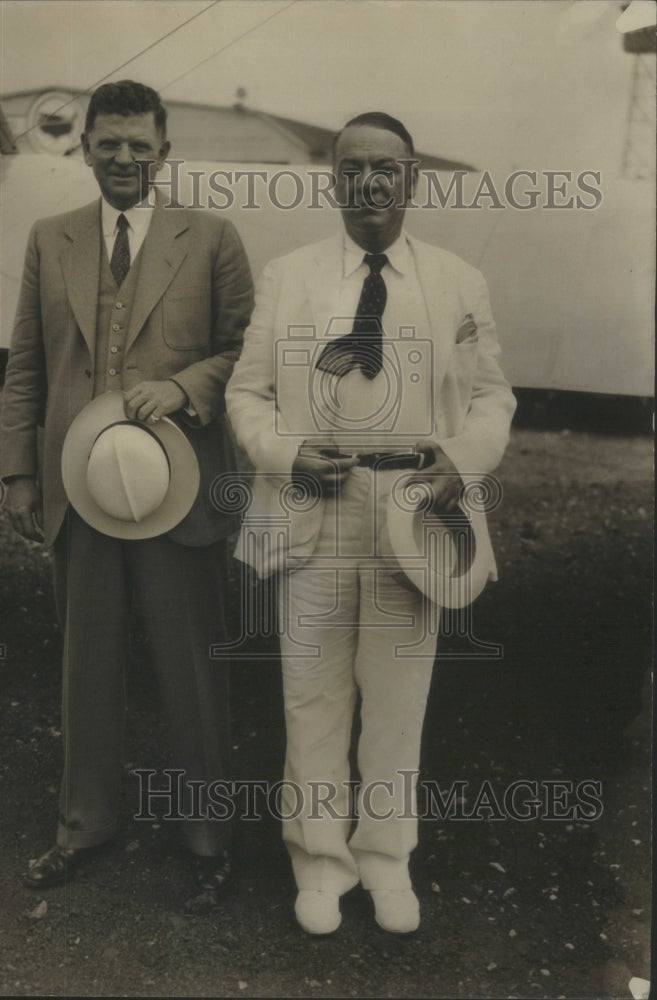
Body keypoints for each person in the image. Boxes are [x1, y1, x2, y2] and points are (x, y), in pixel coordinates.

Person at [225, 112, 516, 934]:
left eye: (384, 168)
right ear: (332, 179)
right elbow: (245, 393)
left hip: (415, 513)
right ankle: (319, 866)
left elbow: (493, 396)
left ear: (412, 178)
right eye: (351, 168)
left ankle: (387, 862)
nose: (368, 183)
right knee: (311, 697)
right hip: (314, 506)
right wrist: (284, 453)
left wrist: (461, 461)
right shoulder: (290, 276)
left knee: (396, 701)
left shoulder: (458, 280)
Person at [0, 80, 253, 912]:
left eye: (140, 146)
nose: (123, 159)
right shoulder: (50, 238)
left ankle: (208, 836)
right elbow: (27, 367)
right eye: (108, 143)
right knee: (86, 667)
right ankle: (84, 824)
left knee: (191, 668)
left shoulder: (211, 239)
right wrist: (19, 473)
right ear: (84, 148)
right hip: (79, 488)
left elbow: (242, 354)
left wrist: (182, 388)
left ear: (164, 152)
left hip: (176, 492)